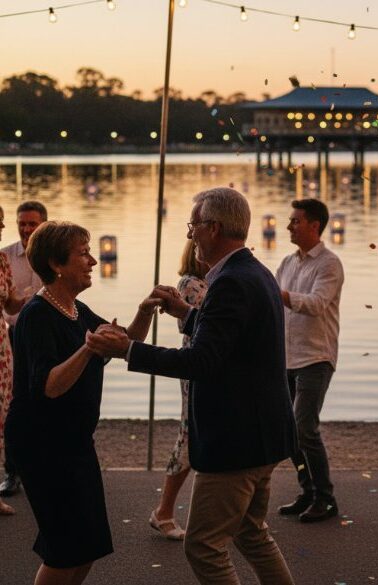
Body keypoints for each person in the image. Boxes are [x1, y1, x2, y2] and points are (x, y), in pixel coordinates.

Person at [87, 187, 295, 585]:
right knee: (252, 534)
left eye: (194, 226)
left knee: (203, 546)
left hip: (237, 440)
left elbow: (201, 361)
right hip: (265, 433)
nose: (190, 235)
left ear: (214, 228)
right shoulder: (254, 271)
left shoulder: (231, 282)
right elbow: (232, 339)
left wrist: (129, 348)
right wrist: (186, 313)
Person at [4, 221, 157, 584]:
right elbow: (50, 386)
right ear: (57, 265)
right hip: (42, 445)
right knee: (63, 550)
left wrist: (146, 309)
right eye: (82, 253)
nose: (91, 260)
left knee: (89, 544)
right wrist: (88, 348)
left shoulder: (75, 309)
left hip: (74, 443)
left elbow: (126, 341)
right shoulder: (38, 315)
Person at [275, 199, 344, 523]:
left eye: (295, 221)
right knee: (287, 430)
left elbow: (316, 304)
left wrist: (281, 296)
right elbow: (274, 307)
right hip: (286, 358)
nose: (289, 226)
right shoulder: (288, 263)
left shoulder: (329, 264)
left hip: (316, 356)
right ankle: (307, 490)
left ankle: (326, 498)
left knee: (304, 426)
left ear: (314, 225)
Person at [149, 239, 208, 540]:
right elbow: (198, 324)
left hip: (209, 368)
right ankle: (164, 511)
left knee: (201, 436)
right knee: (188, 436)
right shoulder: (191, 284)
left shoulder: (210, 281)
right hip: (195, 368)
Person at [0, 200, 46, 498]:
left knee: (43, 397)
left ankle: (43, 468)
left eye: (32, 223)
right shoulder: (6, 256)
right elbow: (10, 306)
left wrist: (28, 298)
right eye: (22, 223)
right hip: (13, 335)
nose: (26, 228)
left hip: (44, 335)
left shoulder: (53, 254)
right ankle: (12, 472)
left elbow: (10, 299)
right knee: (13, 404)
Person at [0, 206, 29, 516]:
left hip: (1, 345)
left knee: (1, 413)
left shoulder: (1, 261)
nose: (2, 227)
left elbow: (9, 301)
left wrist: (27, 297)